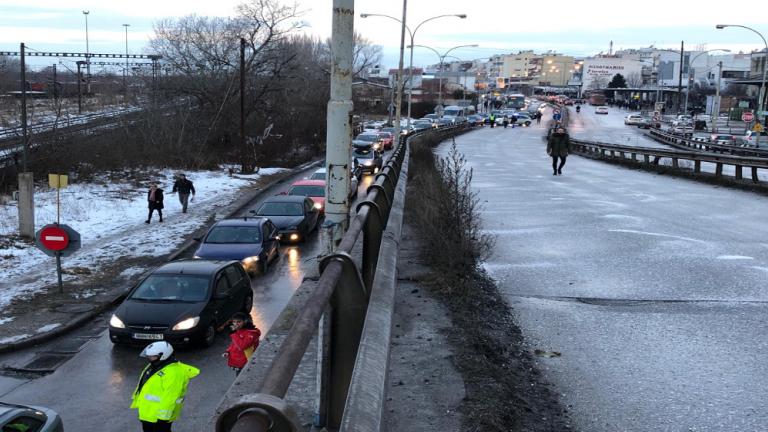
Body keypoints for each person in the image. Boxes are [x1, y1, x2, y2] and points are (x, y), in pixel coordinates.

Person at [131, 342, 199, 432]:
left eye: (152, 356)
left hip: (158, 417)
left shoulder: (174, 373)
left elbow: (170, 397)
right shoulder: (154, 366)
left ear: (163, 356)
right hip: (149, 414)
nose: (149, 358)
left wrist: (162, 420)